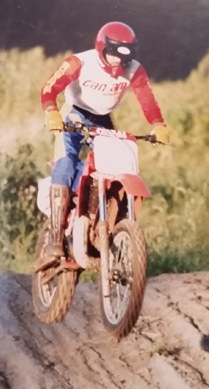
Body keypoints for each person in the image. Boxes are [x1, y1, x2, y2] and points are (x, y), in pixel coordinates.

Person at [35, 21, 169, 271]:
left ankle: (101, 224)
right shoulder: (80, 62)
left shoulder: (135, 70)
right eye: (114, 55)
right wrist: (52, 111)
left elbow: (147, 100)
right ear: (101, 49)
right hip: (73, 114)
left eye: (124, 57)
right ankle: (55, 238)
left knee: (112, 168)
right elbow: (48, 89)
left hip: (103, 119)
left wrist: (158, 124)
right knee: (65, 164)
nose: (119, 62)